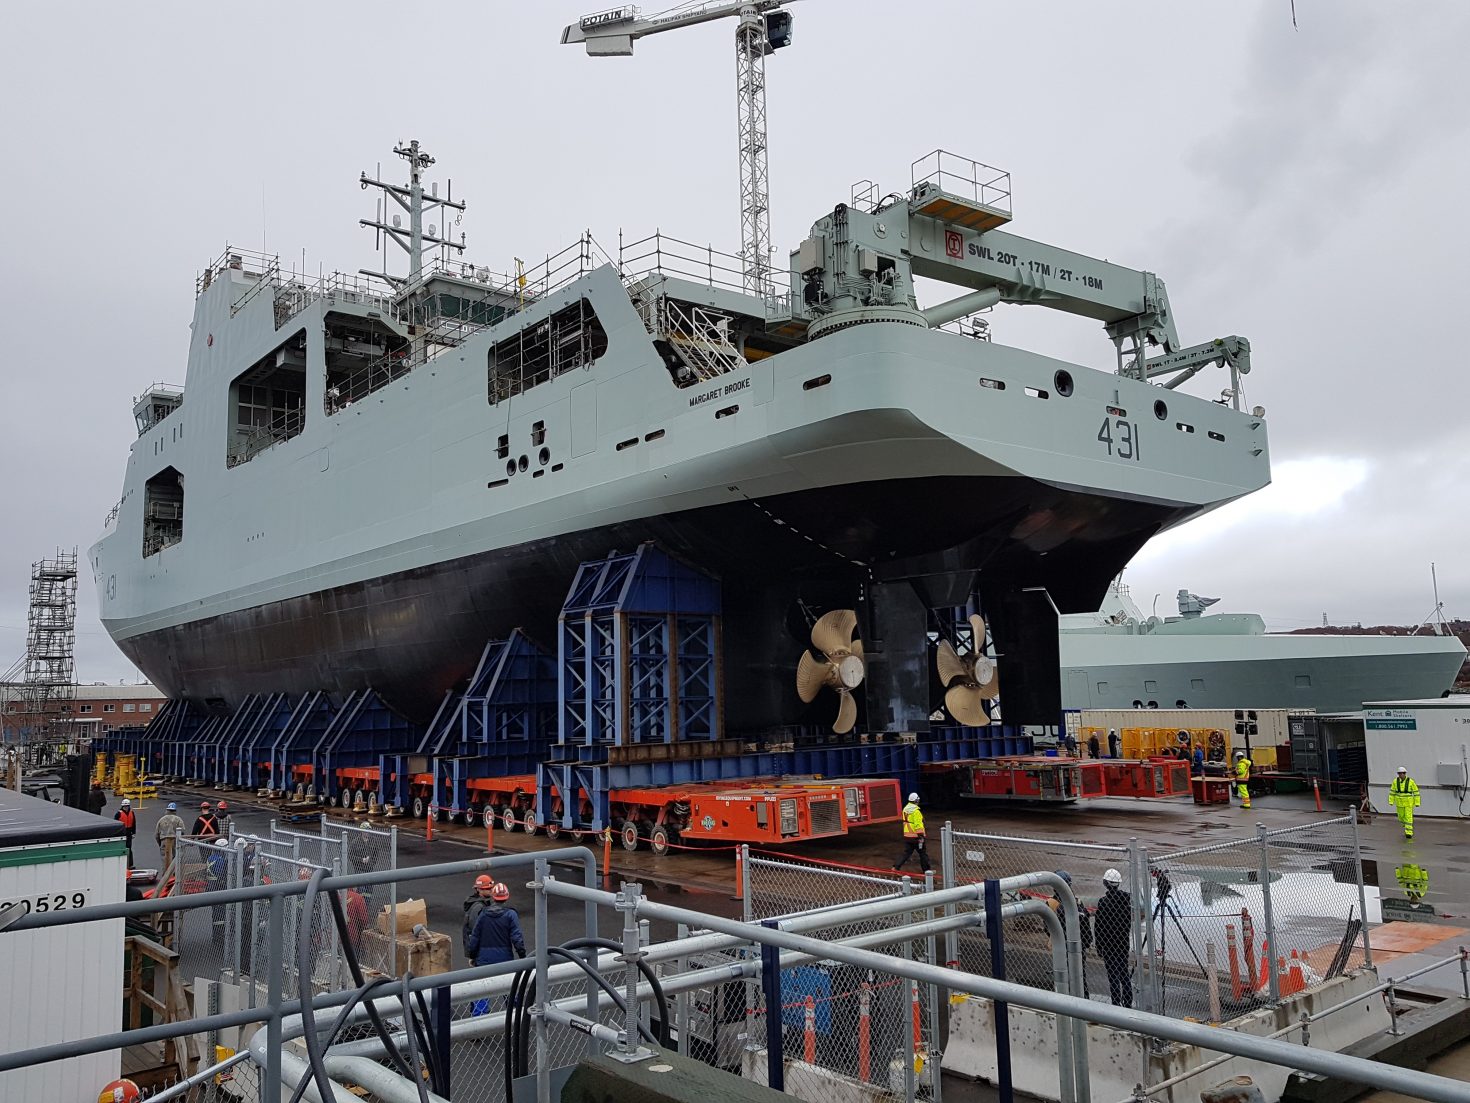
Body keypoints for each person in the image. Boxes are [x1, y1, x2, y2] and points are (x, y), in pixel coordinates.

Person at [466, 881, 527, 1014]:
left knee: (482, 991)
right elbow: (517, 938)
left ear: (493, 897)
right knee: (509, 990)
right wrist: (523, 956)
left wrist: (472, 955)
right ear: (507, 897)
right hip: (504, 958)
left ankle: (479, 1021)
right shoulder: (511, 915)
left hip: (484, 959)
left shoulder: (483, 914)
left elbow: (475, 936)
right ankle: (516, 1018)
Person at [1047, 871, 1091, 998]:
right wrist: (1087, 940)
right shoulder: (1077, 902)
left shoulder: (1051, 903)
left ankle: (1065, 1001)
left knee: (1062, 974)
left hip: (1060, 944)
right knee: (1080, 974)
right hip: (1078, 944)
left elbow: (1047, 925)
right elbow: (1086, 923)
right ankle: (1083, 999)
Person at [1094, 868, 1133, 1008]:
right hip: (1122, 943)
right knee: (1124, 974)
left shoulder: (1104, 903)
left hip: (1109, 945)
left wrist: (1099, 946)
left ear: (1106, 883)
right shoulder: (1126, 903)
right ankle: (1128, 1002)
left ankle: (1116, 1003)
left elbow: (1099, 927)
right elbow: (1127, 925)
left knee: (1113, 976)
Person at [892, 792, 932, 874]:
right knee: (922, 853)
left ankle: (896, 867)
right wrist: (921, 835)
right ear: (916, 801)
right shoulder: (916, 811)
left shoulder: (905, 809)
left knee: (906, 853)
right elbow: (918, 824)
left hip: (907, 836)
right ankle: (927, 871)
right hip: (916, 837)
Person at [463, 874, 496, 955]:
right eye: (487, 888)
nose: (490, 890)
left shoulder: (483, 904)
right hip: (480, 950)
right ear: (478, 889)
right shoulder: (478, 907)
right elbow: (475, 931)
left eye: (491, 888)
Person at [1388, 766, 1420, 839]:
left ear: (1405, 773)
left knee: (1408, 818)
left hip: (1408, 803)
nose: (1400, 775)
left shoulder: (1411, 781)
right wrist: (1391, 801)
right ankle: (1406, 826)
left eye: (1402, 773)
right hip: (1399, 803)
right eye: (1399, 773)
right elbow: (1392, 792)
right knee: (1401, 817)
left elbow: (1416, 792)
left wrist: (1417, 802)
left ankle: (1409, 833)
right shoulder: (1395, 782)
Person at [155, 802, 185, 872]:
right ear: (175, 811)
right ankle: (176, 874)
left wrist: (160, 843)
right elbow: (182, 831)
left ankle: (165, 875)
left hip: (164, 840)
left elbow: (156, 834)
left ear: (167, 810)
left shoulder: (161, 820)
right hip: (175, 840)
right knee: (176, 858)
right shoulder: (178, 819)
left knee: (164, 858)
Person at [114, 798, 137, 867]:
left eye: (127, 806)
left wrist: (133, 832)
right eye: (125, 806)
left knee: (129, 848)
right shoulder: (118, 813)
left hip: (129, 832)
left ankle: (130, 864)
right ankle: (121, 864)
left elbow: (134, 823)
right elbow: (116, 824)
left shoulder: (131, 812)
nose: (126, 808)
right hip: (122, 831)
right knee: (121, 848)